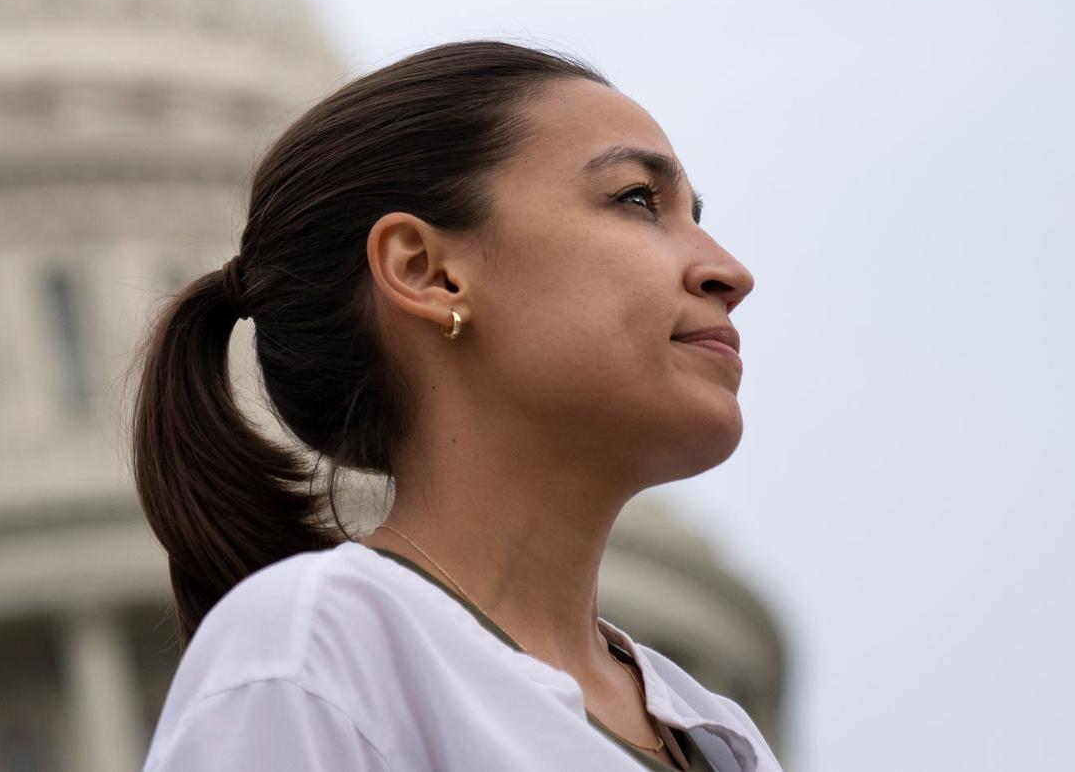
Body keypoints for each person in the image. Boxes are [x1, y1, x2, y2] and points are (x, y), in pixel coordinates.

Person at [129, 40, 782, 771]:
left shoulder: (723, 735)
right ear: (426, 271)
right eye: (636, 199)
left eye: (695, 213)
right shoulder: (311, 652)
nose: (730, 270)